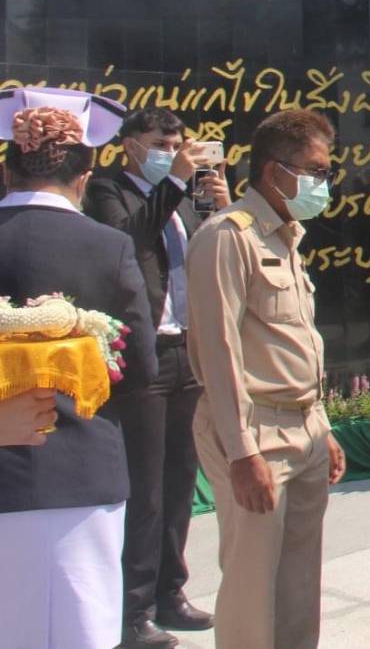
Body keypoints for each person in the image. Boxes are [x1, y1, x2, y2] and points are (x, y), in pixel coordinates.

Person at [0, 87, 158, 649]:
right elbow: (140, 368)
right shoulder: (109, 246)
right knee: (82, 630)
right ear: (84, 177)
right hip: (85, 469)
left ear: (7, 172)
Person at [185, 109, 347, 649]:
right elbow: (219, 351)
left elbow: (297, 345)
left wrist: (322, 425)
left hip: (301, 430)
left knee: (299, 583)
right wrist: (240, 451)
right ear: (274, 171)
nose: (322, 183)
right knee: (253, 590)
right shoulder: (228, 236)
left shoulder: (285, 237)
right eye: (315, 171)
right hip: (255, 433)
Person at [86, 108, 229, 646]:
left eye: (178, 141)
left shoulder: (182, 198)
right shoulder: (107, 190)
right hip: (143, 355)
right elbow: (126, 242)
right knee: (144, 487)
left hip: (186, 351)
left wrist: (220, 206)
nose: (173, 149)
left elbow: (211, 255)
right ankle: (132, 608)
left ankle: (171, 592)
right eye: (160, 141)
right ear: (129, 146)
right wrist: (171, 181)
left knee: (177, 483)